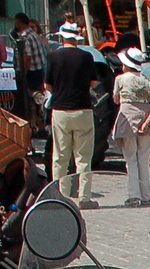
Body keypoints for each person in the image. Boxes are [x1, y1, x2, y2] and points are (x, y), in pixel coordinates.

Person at [45, 23, 97, 206]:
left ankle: (59, 196)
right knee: (83, 158)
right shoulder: (86, 56)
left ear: (61, 37)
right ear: (77, 38)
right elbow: (93, 82)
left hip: (60, 110)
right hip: (83, 109)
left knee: (60, 157)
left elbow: (47, 85)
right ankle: (84, 197)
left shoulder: (53, 56)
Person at [113, 48, 150, 206]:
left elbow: (116, 99)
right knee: (144, 159)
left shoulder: (120, 79)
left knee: (131, 160)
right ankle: (146, 195)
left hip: (127, 119)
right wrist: (147, 123)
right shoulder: (148, 80)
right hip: (146, 119)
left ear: (126, 65)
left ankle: (134, 196)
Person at [12, 13, 46, 121]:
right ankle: (40, 122)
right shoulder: (34, 35)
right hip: (39, 70)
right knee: (38, 100)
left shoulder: (25, 37)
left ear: (19, 23)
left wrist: (23, 74)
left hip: (30, 72)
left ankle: (33, 123)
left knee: (29, 98)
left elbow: (27, 58)